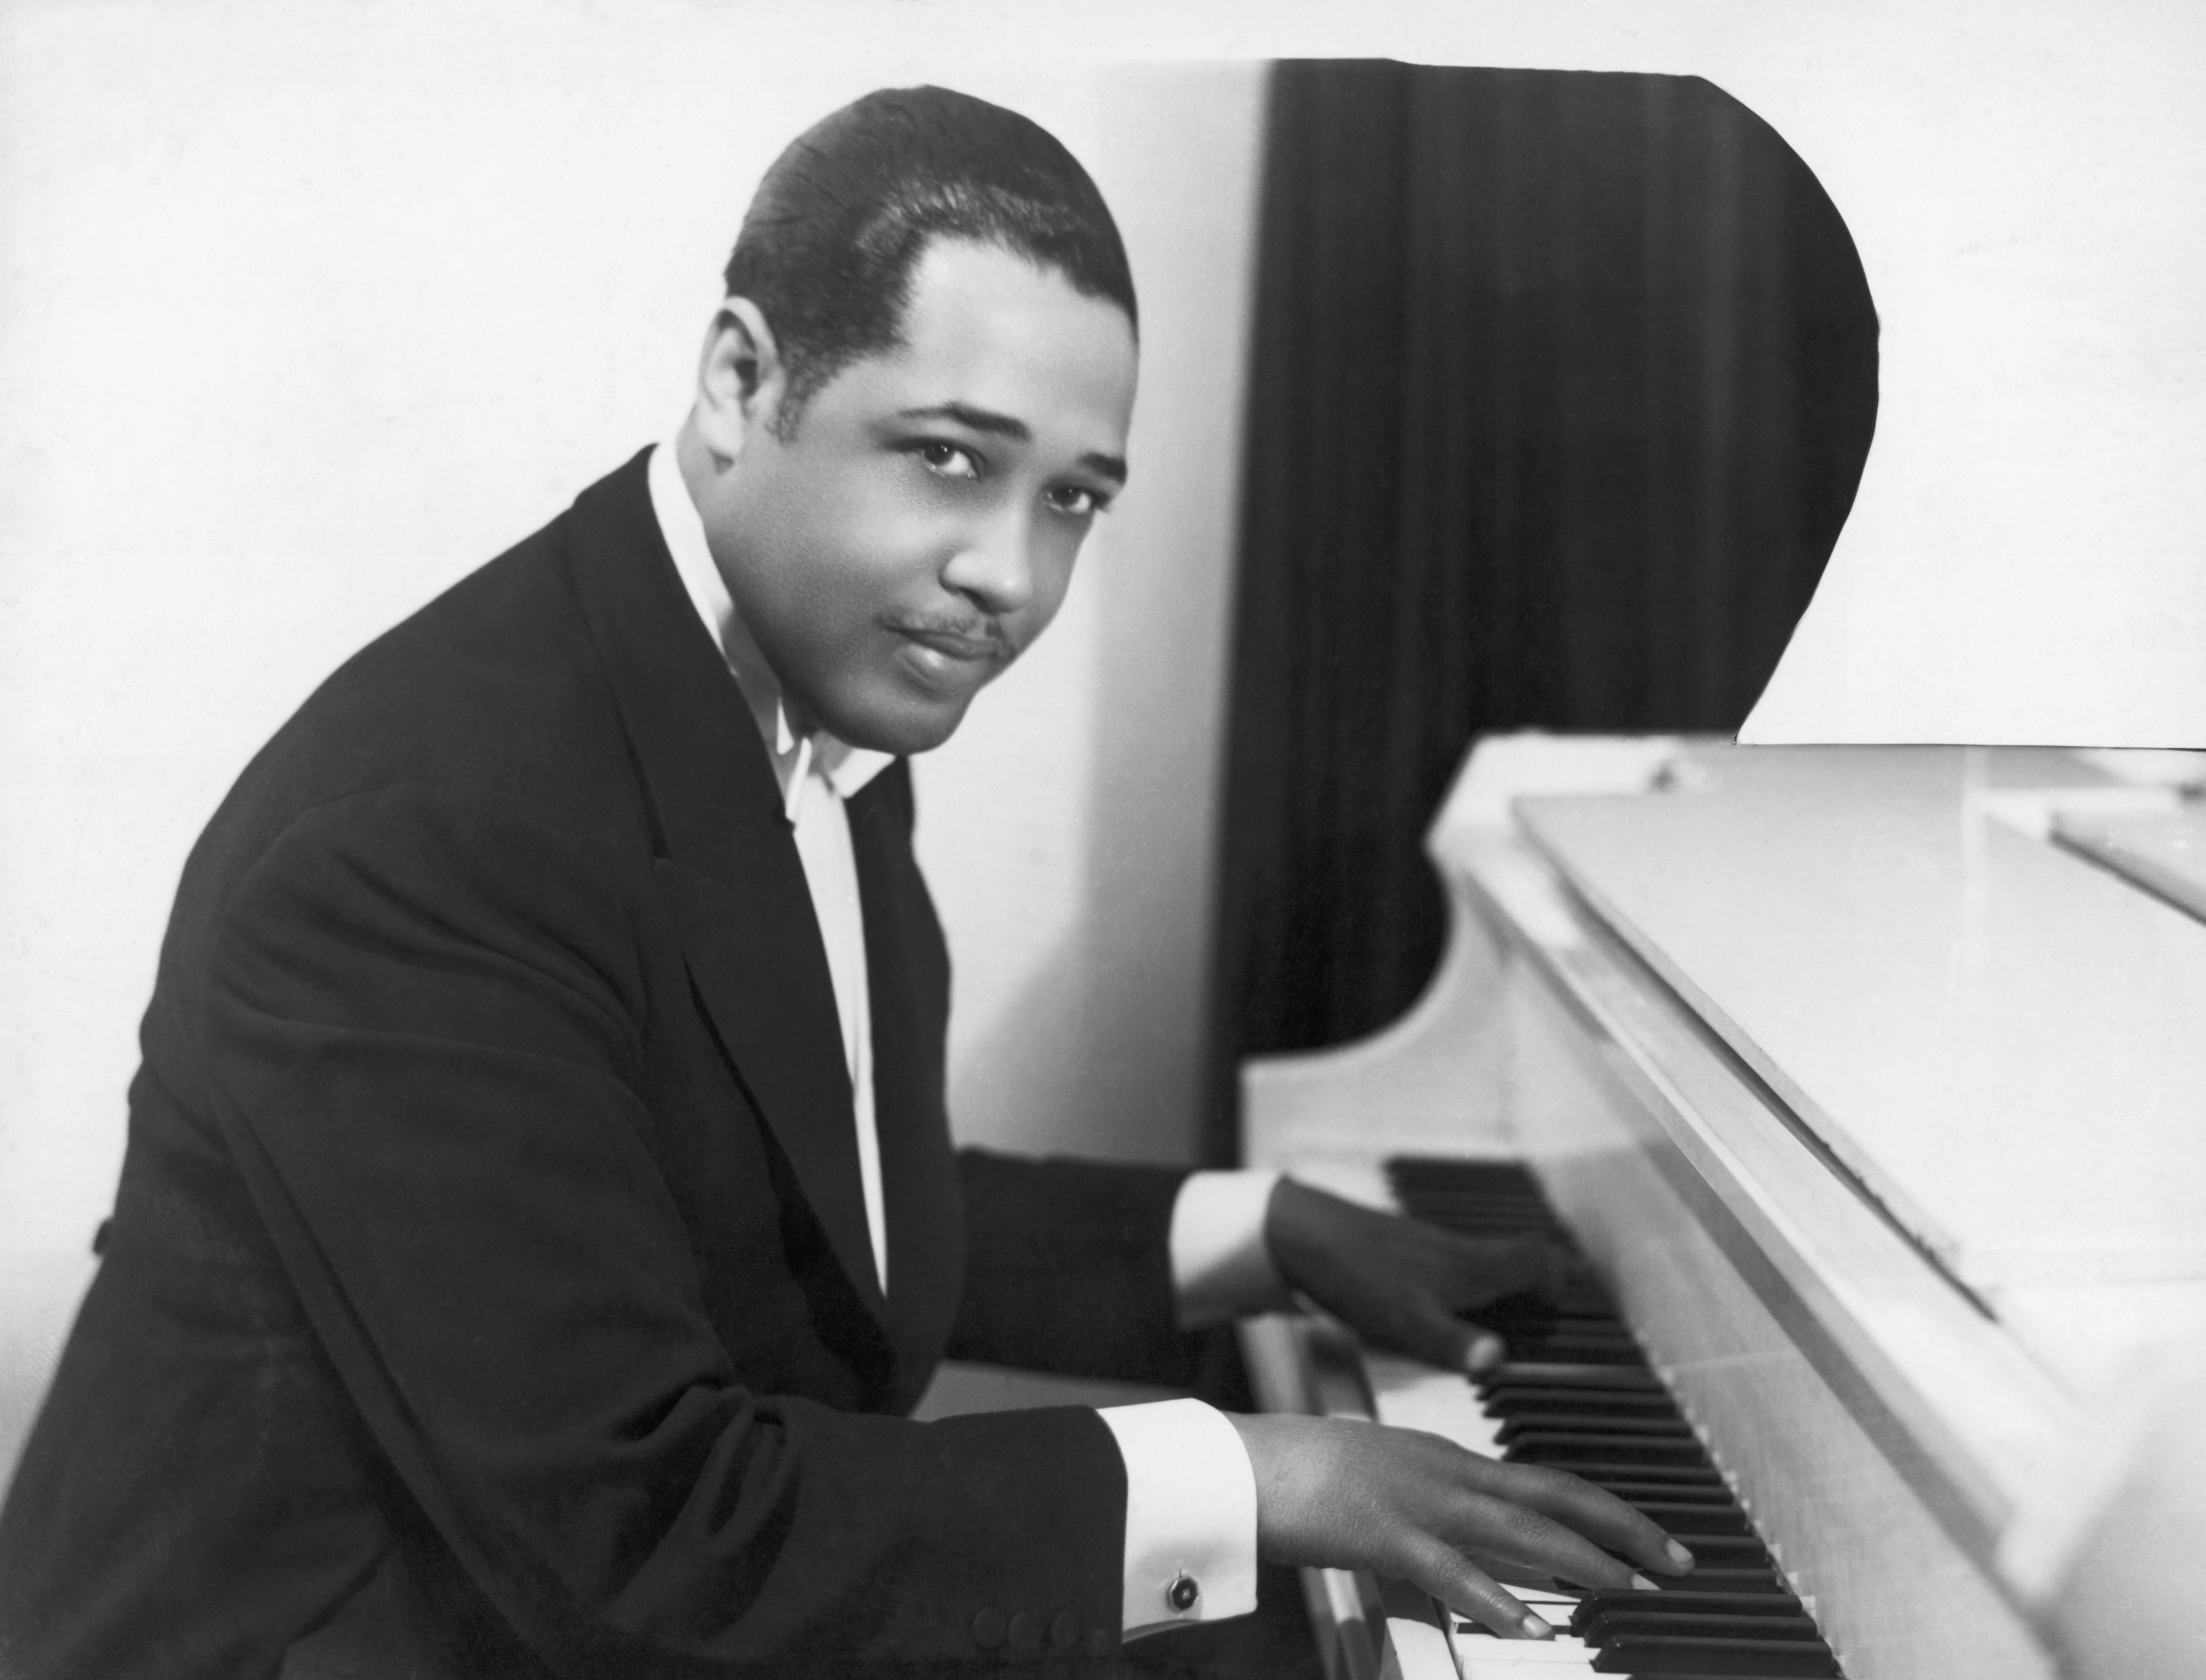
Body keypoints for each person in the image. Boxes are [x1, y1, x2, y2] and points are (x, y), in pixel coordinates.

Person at [0, 86, 1690, 1678]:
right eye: (951, 456)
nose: (1007, 578)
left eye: (1073, 497)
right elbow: (645, 1533)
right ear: (742, 379)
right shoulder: (430, 837)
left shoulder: (789, 681)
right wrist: (1250, 1470)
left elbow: (776, 1200)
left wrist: (1257, 1231)